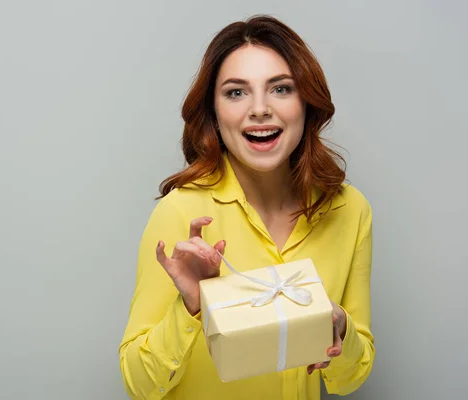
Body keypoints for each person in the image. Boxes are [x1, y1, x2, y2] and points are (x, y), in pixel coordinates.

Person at [118, 14, 375, 400]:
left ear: (307, 102)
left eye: (281, 89)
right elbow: (138, 385)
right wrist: (189, 307)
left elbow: (351, 376)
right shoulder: (179, 212)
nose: (259, 109)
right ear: (215, 115)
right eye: (236, 92)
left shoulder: (349, 210)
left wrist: (340, 330)